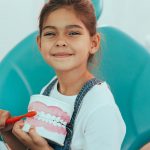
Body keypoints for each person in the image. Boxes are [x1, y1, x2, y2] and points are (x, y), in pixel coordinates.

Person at [0, 0, 126, 149]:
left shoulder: (101, 108)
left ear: (93, 43)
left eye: (73, 33)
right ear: (40, 44)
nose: (60, 41)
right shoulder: (50, 88)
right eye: (50, 33)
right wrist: (8, 133)